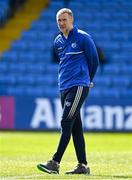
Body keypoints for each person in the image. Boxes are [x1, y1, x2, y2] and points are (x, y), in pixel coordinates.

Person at [37, 8, 99, 175]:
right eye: (59, 20)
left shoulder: (83, 37)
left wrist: (88, 80)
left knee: (66, 122)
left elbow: (94, 60)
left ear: (71, 20)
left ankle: (55, 162)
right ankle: (83, 166)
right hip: (63, 87)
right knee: (75, 127)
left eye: (64, 20)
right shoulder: (57, 41)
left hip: (79, 85)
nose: (61, 23)